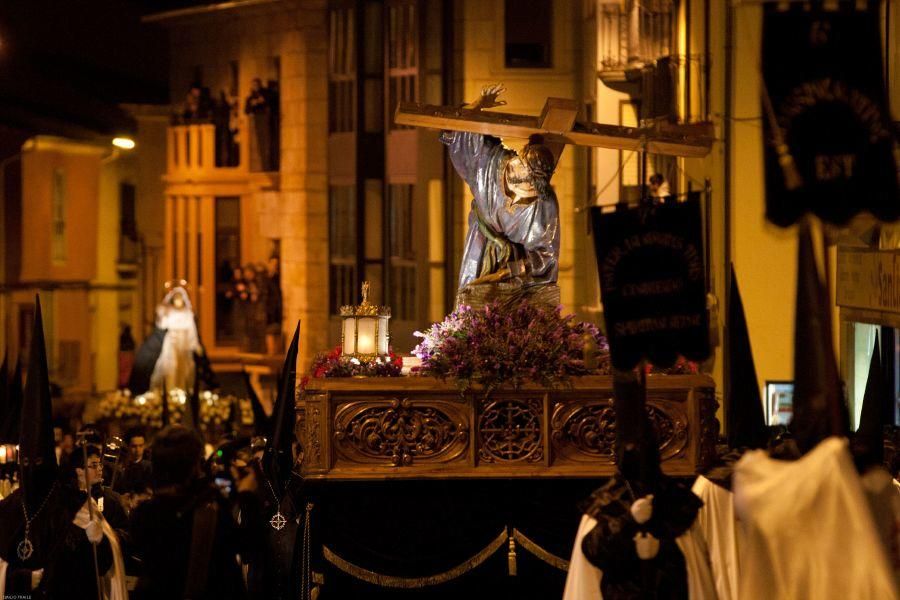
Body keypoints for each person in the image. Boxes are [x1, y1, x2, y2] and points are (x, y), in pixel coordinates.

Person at [441, 83, 560, 309]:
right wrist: (477, 106)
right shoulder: (487, 164)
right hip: (481, 246)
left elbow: (547, 253)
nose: (527, 195)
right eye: (525, 186)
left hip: (518, 278)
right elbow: (457, 135)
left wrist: (515, 268)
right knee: (472, 305)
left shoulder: (544, 203)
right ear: (518, 164)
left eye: (532, 192)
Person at [129, 425, 252, 600]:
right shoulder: (209, 511)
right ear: (194, 466)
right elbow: (247, 546)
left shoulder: (144, 513)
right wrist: (247, 496)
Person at [150, 285, 201, 392]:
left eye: (180, 298)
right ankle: (170, 389)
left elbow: (192, 331)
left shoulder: (187, 313)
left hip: (184, 342)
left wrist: (195, 345)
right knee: (171, 365)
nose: (178, 301)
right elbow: (162, 325)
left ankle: (182, 388)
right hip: (172, 341)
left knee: (184, 366)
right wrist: (161, 314)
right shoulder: (170, 312)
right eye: (176, 298)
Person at [113, 427, 152, 499]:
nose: (138, 450)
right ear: (128, 446)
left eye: (141, 446)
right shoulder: (120, 467)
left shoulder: (149, 467)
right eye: (134, 446)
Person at [245, 78, 273, 171]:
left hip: (264, 121)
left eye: (256, 85)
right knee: (256, 146)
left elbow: (269, 103)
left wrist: (261, 101)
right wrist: (255, 103)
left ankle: (267, 165)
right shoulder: (250, 98)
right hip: (255, 122)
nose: (255, 87)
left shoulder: (266, 94)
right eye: (253, 85)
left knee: (266, 143)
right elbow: (246, 110)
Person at [264, 255, 283, 355]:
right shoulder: (265, 278)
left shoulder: (279, 278)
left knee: (277, 333)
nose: (275, 266)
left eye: (276, 264)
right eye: (273, 264)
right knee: (270, 333)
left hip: (276, 310)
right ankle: (271, 353)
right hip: (269, 311)